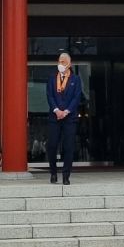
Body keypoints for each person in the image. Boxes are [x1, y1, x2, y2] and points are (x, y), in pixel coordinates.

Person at [46, 51, 83, 187]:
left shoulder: (76, 79)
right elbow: (49, 95)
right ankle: (53, 173)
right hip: (54, 117)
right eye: (59, 61)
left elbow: (76, 97)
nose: (60, 64)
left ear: (69, 64)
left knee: (68, 147)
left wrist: (66, 111)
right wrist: (56, 110)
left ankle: (66, 175)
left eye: (63, 62)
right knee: (52, 145)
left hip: (69, 118)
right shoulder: (52, 77)